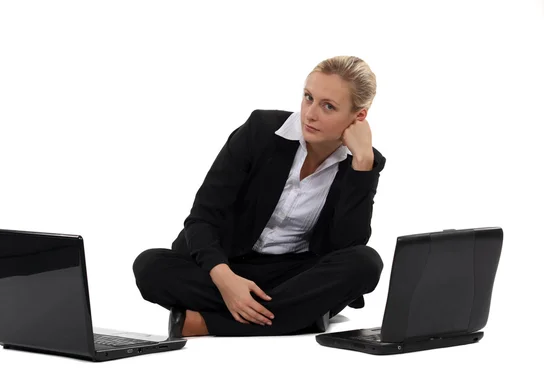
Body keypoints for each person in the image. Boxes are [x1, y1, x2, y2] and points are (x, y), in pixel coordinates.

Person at [133, 55, 386, 338]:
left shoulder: (359, 164)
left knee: (366, 263)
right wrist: (225, 279)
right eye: (308, 97)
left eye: (328, 106)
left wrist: (363, 164)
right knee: (149, 267)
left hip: (292, 274)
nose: (310, 114)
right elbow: (203, 218)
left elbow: (347, 248)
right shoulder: (261, 131)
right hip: (226, 266)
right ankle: (303, 315)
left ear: (358, 116)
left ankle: (208, 324)